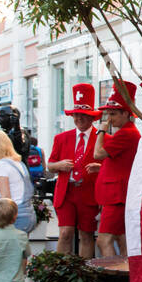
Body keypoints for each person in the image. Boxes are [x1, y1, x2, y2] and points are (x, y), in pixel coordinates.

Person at [47, 82, 103, 257]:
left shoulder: (102, 138)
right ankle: (61, 272)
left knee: (86, 235)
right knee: (65, 233)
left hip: (89, 193)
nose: (78, 119)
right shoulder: (61, 138)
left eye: (83, 115)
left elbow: (110, 167)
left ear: (92, 118)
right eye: (75, 115)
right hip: (66, 192)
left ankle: (83, 274)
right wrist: (59, 165)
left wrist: (99, 168)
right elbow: (49, 165)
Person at [92, 84, 141, 257]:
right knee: (122, 239)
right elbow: (120, 161)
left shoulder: (127, 133)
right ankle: (125, 276)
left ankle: (114, 276)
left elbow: (98, 153)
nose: (109, 119)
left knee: (104, 240)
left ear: (125, 114)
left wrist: (100, 131)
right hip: (118, 195)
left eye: (113, 114)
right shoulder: (127, 133)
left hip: (117, 196)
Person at [0, 129, 36, 235]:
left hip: (14, 218)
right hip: (27, 214)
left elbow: (5, 200)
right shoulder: (17, 162)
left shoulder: (0, 165)